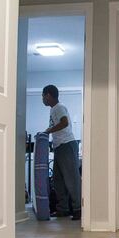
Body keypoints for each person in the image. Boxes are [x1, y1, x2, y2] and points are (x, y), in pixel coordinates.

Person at [42, 84, 81, 220]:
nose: (42, 99)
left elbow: (64, 123)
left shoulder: (59, 107)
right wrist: (47, 131)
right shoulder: (53, 110)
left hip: (66, 145)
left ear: (48, 95)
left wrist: (48, 131)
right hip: (59, 146)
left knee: (71, 179)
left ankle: (78, 209)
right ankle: (63, 209)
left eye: (43, 96)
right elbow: (57, 125)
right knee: (58, 180)